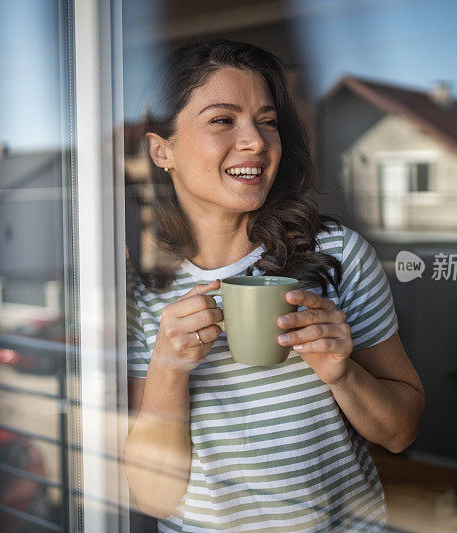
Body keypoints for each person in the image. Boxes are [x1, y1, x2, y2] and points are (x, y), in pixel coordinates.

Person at [123, 39, 424, 532]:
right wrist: (167, 369)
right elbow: (153, 497)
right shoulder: (140, 287)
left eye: (267, 121)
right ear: (162, 150)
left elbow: (400, 433)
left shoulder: (337, 256)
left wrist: (342, 373)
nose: (257, 142)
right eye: (223, 120)